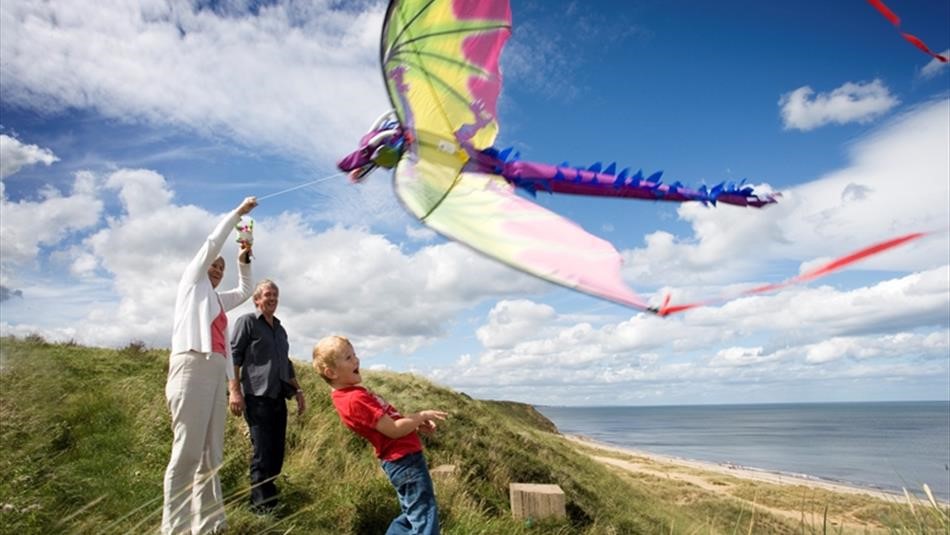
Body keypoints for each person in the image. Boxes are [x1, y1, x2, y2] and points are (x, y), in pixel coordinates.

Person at [163, 196, 257, 535]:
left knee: (211, 455)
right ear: (203, 266)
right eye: (213, 265)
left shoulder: (217, 299)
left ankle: (209, 527)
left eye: (221, 268)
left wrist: (242, 260)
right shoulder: (192, 283)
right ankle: (174, 528)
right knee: (187, 453)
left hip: (216, 371)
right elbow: (211, 243)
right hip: (191, 365)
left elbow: (246, 290)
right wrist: (237, 215)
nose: (217, 270)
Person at [312, 335, 447, 535]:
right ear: (331, 372)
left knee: (412, 515)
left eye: (354, 354)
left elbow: (387, 426)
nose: (356, 360)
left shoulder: (353, 395)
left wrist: (415, 426)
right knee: (424, 519)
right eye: (348, 358)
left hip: (402, 460)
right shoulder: (354, 399)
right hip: (404, 460)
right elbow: (393, 429)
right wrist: (421, 415)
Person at [229, 279, 305, 513]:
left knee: (276, 452)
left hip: (278, 398)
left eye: (275, 295)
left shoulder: (280, 330)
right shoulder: (247, 322)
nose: (272, 299)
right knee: (262, 453)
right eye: (267, 295)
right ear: (257, 299)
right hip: (256, 396)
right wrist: (234, 391)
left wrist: (298, 391)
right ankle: (260, 508)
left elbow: (286, 363)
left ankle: (268, 498)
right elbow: (234, 356)